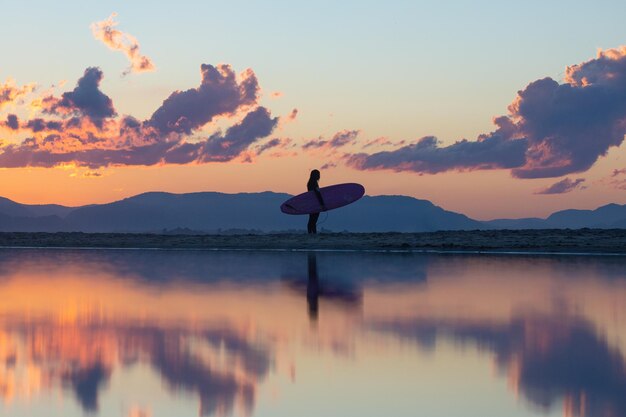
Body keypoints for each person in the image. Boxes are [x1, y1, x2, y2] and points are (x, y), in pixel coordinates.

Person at [307, 169, 325, 234]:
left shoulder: (309, 182)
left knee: (311, 219)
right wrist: (322, 204)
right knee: (313, 220)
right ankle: (313, 233)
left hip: (311, 203)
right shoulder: (314, 183)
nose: (319, 176)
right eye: (318, 174)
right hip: (316, 203)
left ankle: (311, 233)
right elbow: (318, 194)